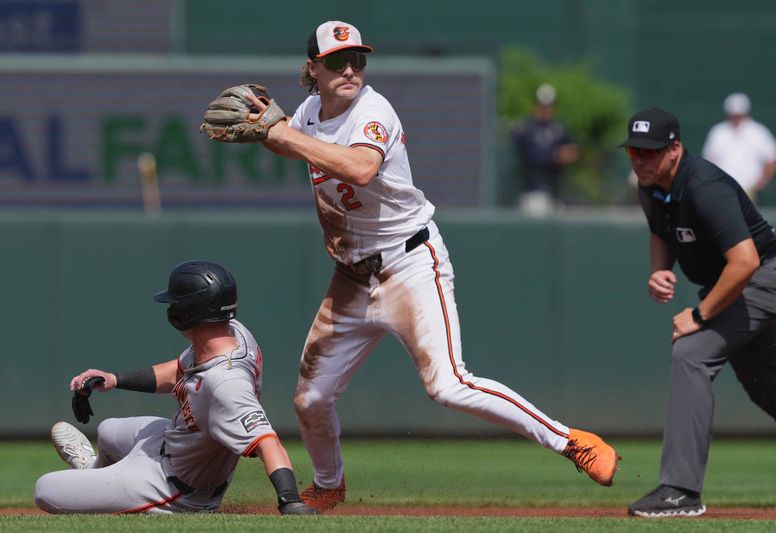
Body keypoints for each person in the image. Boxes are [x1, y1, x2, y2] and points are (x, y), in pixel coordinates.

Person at [244, 20, 619, 512]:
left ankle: (570, 440)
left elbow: (359, 167)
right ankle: (329, 486)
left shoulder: (374, 109)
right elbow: (286, 136)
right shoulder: (309, 113)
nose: (351, 68)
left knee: (448, 384)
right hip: (351, 277)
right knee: (310, 400)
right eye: (337, 61)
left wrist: (285, 137)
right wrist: (269, 132)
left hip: (409, 264)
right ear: (313, 68)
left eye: (358, 58)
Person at [621, 108, 776, 518]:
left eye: (651, 151)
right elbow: (660, 233)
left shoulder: (704, 186)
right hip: (733, 285)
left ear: (675, 150)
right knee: (765, 384)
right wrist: (659, 272)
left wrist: (699, 317)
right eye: (635, 151)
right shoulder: (649, 186)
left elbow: (745, 262)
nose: (641, 159)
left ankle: (681, 490)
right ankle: (680, 489)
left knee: (692, 353)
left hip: (760, 280)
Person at [34, 260, 316, 515]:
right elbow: (177, 371)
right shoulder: (231, 332)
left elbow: (267, 441)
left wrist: (289, 500)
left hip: (172, 488)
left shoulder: (226, 384)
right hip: (171, 441)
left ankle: (102, 480)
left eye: (175, 303)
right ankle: (95, 471)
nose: (171, 309)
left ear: (188, 312)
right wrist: (114, 379)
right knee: (107, 430)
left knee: (45, 489)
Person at [510, 83, 579, 215]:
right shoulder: (527, 128)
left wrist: (568, 154)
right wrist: (556, 156)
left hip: (556, 191)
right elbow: (532, 157)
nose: (546, 109)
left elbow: (573, 149)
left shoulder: (559, 128)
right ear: (536, 105)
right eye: (542, 105)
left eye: (549, 105)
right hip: (533, 191)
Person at [701, 92, 776, 201]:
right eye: (734, 115)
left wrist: (763, 180)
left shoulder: (758, 131)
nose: (737, 118)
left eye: (740, 114)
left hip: (748, 190)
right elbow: (709, 159)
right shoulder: (718, 132)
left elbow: (774, 157)